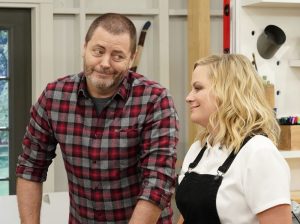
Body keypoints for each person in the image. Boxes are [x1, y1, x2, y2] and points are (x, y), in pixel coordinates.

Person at [16, 13, 179, 224]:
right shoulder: (54, 97)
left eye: (117, 56)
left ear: (132, 58)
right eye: (98, 51)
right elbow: (30, 167)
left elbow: (158, 183)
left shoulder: (155, 100)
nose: (105, 63)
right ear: (84, 48)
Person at [175, 54, 291, 224]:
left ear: (227, 92)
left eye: (198, 88)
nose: (188, 97)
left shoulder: (259, 153)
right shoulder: (198, 149)